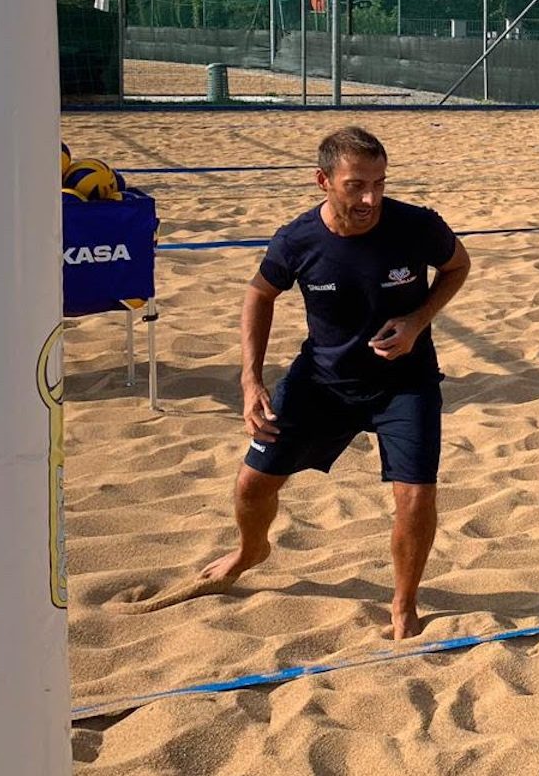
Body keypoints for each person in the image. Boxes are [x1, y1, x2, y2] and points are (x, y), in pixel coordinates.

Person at [198, 127, 472, 639]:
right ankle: (250, 549)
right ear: (323, 181)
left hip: (404, 382)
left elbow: (458, 266)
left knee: (415, 498)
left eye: (380, 183)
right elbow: (259, 295)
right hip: (321, 381)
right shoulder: (297, 239)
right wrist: (251, 380)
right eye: (356, 185)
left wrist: (417, 321)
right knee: (251, 485)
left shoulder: (416, 226)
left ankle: (403, 602)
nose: (370, 198)